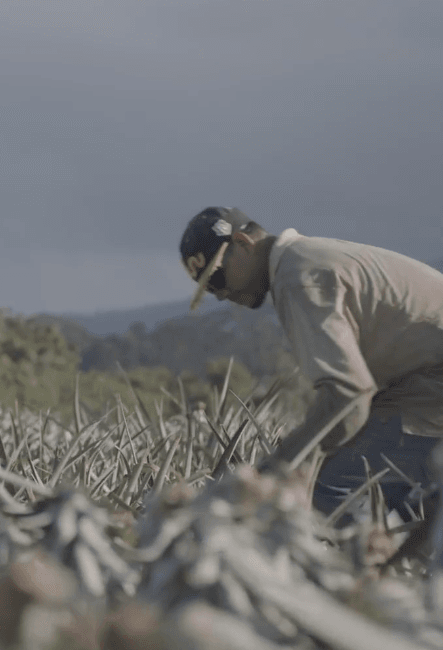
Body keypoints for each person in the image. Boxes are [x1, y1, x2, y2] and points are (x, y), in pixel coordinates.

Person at [180, 206, 443, 522]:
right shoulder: (304, 259)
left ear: (243, 243)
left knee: (325, 490)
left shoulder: (298, 279)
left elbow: (349, 396)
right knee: (402, 491)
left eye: (217, 277)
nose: (220, 295)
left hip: (431, 384)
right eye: (208, 289)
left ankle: (368, 568)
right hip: (424, 384)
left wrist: (277, 468)